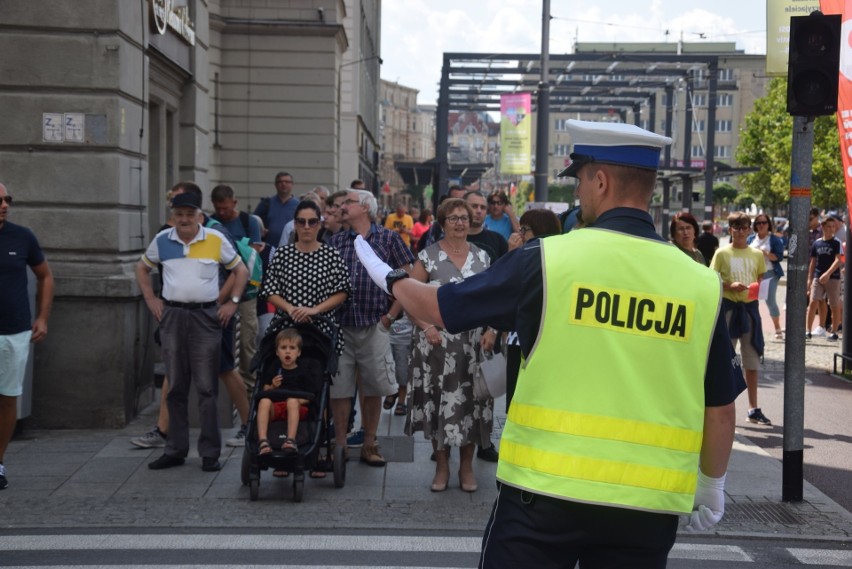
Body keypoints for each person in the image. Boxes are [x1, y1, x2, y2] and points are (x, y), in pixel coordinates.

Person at [354, 120, 743, 568]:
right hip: (647, 507)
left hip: (543, 496)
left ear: (601, 180)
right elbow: (721, 408)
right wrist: (712, 482)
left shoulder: (548, 260)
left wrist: (388, 275)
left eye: (579, 180)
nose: (578, 193)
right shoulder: (699, 283)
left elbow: (437, 307)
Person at [135, 189, 248, 472]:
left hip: (204, 316)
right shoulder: (163, 240)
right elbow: (141, 268)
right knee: (175, 386)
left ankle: (210, 453)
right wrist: (151, 299)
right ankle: (175, 449)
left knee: (207, 388)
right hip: (172, 315)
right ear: (173, 216)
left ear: (200, 216)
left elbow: (241, 271)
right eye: (179, 214)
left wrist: (232, 303)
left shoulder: (214, 239)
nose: (184, 219)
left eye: (190, 214)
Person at [406, 198, 493, 493]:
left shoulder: (483, 257)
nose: (460, 223)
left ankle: (466, 467)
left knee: (472, 404)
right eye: (453, 218)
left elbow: (495, 299)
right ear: (442, 223)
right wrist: (426, 327)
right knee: (437, 405)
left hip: (473, 347)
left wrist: (492, 329)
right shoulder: (428, 256)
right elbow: (410, 300)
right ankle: (442, 466)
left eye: (464, 218)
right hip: (436, 345)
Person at [329, 189, 415, 467]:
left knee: (374, 387)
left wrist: (390, 315)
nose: (342, 207)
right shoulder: (336, 240)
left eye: (348, 203)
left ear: (365, 207)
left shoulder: (389, 238)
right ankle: (339, 445)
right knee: (339, 388)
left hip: (374, 323)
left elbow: (408, 276)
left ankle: (370, 443)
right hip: (340, 325)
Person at [0, 182, 54, 490]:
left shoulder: (22, 236)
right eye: (0, 200)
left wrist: (42, 318)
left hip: (13, 331)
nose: (5, 204)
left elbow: (45, 276)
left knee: (7, 397)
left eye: (8, 199)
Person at [710, 211, 770, 426]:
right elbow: (712, 279)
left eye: (745, 227)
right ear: (730, 229)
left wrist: (756, 289)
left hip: (749, 311)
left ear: (749, 230)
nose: (741, 231)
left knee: (751, 361)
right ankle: (721, 408)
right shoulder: (722, 253)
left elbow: (761, 279)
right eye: (737, 227)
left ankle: (753, 408)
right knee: (724, 359)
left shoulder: (756, 254)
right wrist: (729, 286)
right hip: (728, 309)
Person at [504, 208, 562, 410]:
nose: (520, 235)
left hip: (525, 340)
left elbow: (509, 292)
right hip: (543, 339)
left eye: (524, 229)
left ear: (540, 230)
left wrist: (512, 256)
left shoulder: (528, 259)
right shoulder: (561, 257)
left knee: (518, 400)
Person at [211, 184, 262, 396]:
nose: (222, 212)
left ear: (234, 202)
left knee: (247, 337)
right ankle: (228, 387)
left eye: (226, 208)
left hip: (247, 291)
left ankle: (249, 386)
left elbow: (255, 250)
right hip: (220, 290)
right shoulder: (211, 224)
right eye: (218, 208)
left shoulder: (247, 221)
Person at [256, 328, 322, 455]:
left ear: (298, 353)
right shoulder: (274, 367)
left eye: (292, 348)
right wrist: (272, 386)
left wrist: (297, 401)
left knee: (292, 401)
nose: (287, 351)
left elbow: (312, 395)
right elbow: (264, 389)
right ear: (277, 352)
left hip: (297, 407)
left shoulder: (304, 370)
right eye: (283, 347)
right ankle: (263, 441)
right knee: (264, 401)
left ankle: (290, 440)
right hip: (276, 406)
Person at [747, 214, 785, 340]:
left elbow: (779, 257)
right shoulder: (751, 239)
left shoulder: (773, 239)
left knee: (770, 300)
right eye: (758, 223)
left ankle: (777, 327)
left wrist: (764, 253)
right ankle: (752, 328)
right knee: (751, 300)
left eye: (764, 222)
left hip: (769, 272)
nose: (761, 225)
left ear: (768, 224)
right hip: (752, 273)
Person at [807, 216, 843, 341]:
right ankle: (808, 331)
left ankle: (834, 332)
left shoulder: (837, 242)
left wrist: (828, 273)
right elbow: (813, 262)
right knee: (813, 301)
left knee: (834, 304)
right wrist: (809, 278)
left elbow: (838, 260)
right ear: (823, 227)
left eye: (833, 227)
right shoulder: (817, 243)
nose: (831, 229)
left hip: (833, 277)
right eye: (828, 226)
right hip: (818, 276)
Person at [254, 171, 300, 246]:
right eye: (280, 181)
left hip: (291, 250)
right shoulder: (266, 203)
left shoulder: (299, 205)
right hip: (268, 249)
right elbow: (254, 222)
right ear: (275, 184)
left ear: (292, 184)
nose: (283, 184)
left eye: (287, 182)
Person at [464, 191, 508, 266]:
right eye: (474, 206)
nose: (479, 211)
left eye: (483, 208)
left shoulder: (498, 241)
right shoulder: (450, 239)